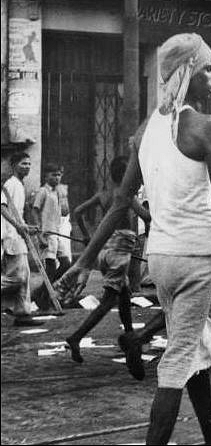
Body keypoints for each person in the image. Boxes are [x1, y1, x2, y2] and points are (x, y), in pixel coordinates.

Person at [55, 33, 211, 445]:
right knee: (178, 359)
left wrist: (85, 261)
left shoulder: (145, 132)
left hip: (160, 257)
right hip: (196, 256)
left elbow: (121, 202)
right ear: (188, 72)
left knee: (190, 343)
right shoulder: (209, 127)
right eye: (208, 67)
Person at [64, 156, 150, 364]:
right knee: (108, 302)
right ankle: (76, 337)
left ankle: (131, 336)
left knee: (123, 295)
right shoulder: (127, 195)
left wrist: (86, 235)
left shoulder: (103, 194)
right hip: (120, 251)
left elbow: (77, 212)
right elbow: (146, 216)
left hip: (106, 248)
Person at [1, 152, 44, 327]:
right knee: (17, 277)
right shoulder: (10, 184)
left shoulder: (19, 185)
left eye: (28, 164)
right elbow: (2, 208)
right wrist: (18, 227)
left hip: (17, 234)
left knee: (23, 276)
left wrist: (26, 227)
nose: (26, 167)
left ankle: (22, 313)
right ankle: (21, 311)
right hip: (10, 235)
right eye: (23, 164)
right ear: (14, 165)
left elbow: (17, 214)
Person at [31, 163, 70, 311]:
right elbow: (35, 210)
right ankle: (44, 299)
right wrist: (39, 232)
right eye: (53, 174)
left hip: (56, 233)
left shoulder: (58, 192)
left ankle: (40, 292)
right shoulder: (43, 192)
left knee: (66, 263)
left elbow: (64, 212)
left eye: (59, 174)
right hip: (46, 234)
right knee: (51, 267)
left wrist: (64, 198)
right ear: (46, 176)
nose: (57, 177)